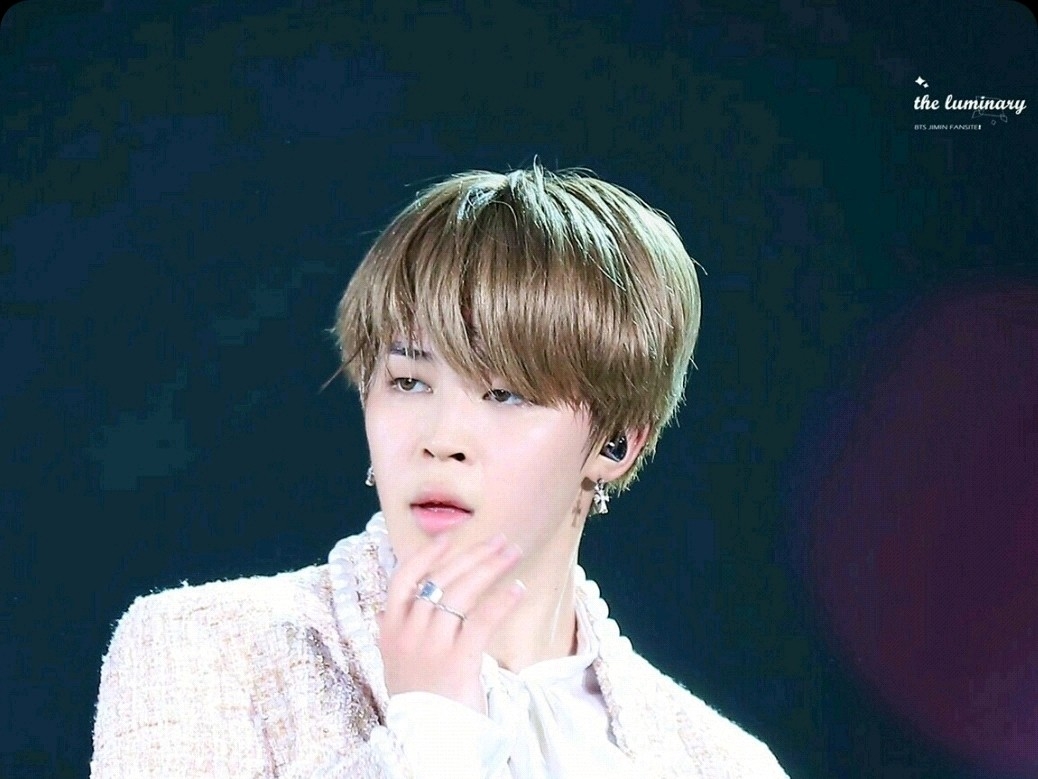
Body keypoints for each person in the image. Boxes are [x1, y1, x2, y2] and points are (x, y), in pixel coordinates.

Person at [91, 163, 788, 778]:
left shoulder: (723, 764)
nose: (442, 440)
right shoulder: (207, 654)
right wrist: (432, 738)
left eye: (506, 393)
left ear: (615, 442)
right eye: (409, 381)